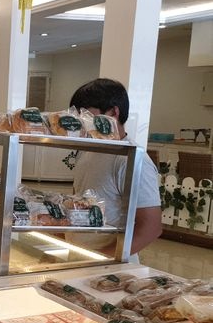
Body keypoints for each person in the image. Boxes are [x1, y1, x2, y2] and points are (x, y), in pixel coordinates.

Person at [68, 78, 162, 260]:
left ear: (113, 112)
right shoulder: (87, 150)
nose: (81, 121)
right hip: (78, 258)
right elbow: (78, 202)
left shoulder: (132, 159)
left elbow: (151, 228)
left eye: (87, 115)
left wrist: (100, 260)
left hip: (109, 267)